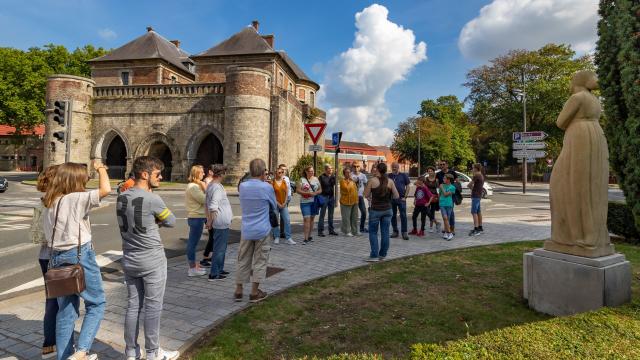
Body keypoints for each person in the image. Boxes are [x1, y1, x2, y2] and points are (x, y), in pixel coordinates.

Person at [43, 161, 110, 360]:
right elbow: (105, 189)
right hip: (79, 255)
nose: (86, 180)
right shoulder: (76, 198)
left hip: (56, 257)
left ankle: (64, 357)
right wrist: (101, 168)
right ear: (74, 180)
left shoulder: (50, 202)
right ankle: (81, 351)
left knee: (66, 311)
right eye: (84, 177)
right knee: (96, 303)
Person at [116, 156, 179, 360]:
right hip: (152, 258)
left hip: (129, 257)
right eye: (157, 174)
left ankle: (131, 351)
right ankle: (153, 352)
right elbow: (171, 221)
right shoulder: (153, 199)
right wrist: (155, 222)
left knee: (133, 305)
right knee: (153, 307)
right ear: (145, 174)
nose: (161, 177)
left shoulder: (122, 196)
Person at [235, 158, 277, 303]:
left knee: (243, 259)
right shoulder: (267, 187)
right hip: (262, 229)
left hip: (246, 229)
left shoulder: (243, 186)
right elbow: (274, 205)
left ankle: (239, 290)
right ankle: (254, 292)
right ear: (263, 171)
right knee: (260, 261)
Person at [33, 165, 59, 359]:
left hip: (44, 256)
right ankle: (52, 344)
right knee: (61, 302)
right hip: (56, 256)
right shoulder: (56, 203)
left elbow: (36, 235)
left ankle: (50, 344)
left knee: (52, 301)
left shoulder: (42, 201)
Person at [363, 162, 400, 262]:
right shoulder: (390, 181)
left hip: (375, 210)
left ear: (377, 169)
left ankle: (374, 255)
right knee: (385, 232)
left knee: (373, 233)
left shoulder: (372, 180)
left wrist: (371, 195)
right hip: (388, 210)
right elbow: (396, 196)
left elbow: (366, 195)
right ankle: (382, 254)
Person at [206, 164, 233, 280]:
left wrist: (209, 220)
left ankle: (219, 269)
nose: (225, 174)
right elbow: (213, 206)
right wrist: (210, 221)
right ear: (221, 174)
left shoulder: (213, 185)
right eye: (224, 172)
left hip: (221, 221)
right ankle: (214, 273)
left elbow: (206, 204)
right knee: (219, 249)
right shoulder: (216, 187)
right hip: (220, 222)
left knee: (221, 248)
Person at [184, 165, 207, 277]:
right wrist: (205, 187)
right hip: (196, 217)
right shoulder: (193, 187)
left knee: (194, 242)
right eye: (202, 172)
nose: (204, 174)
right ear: (196, 173)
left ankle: (194, 266)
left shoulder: (195, 186)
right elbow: (204, 200)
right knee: (192, 243)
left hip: (198, 217)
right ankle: (192, 268)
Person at [297, 165, 322, 244]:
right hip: (305, 202)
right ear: (306, 172)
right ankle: (305, 238)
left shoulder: (316, 179)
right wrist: (307, 193)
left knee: (311, 220)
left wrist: (315, 193)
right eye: (310, 171)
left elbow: (320, 190)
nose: (312, 172)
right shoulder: (302, 180)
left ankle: (310, 236)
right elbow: (297, 190)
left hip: (314, 202)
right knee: (306, 219)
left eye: (312, 171)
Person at [271, 166, 295, 244]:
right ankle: (276, 237)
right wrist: (278, 203)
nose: (281, 174)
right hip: (275, 204)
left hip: (283, 204)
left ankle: (288, 237)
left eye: (282, 172)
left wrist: (284, 203)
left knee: (287, 220)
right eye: (279, 172)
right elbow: (272, 195)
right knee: (275, 221)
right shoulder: (272, 182)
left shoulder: (284, 182)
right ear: (276, 173)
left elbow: (287, 193)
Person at [388, 162, 411, 240]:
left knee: (403, 215)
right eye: (393, 167)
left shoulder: (403, 175)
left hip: (401, 198)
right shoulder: (389, 176)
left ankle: (404, 232)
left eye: (396, 167)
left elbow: (408, 186)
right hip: (392, 199)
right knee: (392, 215)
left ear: (398, 167)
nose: (394, 168)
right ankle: (395, 231)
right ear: (391, 167)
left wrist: (405, 196)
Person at [436, 161, 458, 235]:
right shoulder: (439, 174)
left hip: (451, 195)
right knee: (445, 215)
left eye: (443, 164)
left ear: (447, 165)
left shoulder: (452, 172)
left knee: (451, 214)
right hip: (442, 195)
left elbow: (457, 182)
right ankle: (446, 228)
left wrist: (451, 187)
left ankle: (452, 228)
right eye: (440, 164)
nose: (442, 165)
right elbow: (438, 184)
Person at [318, 164, 337, 237]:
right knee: (322, 215)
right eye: (329, 168)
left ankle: (331, 230)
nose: (331, 170)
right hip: (324, 197)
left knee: (331, 215)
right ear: (326, 169)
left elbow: (333, 184)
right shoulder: (321, 177)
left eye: (332, 168)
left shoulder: (332, 176)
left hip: (331, 197)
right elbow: (319, 187)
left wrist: (334, 176)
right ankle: (320, 231)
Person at [339, 167, 359, 237]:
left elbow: (356, 190)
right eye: (347, 172)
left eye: (349, 172)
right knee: (346, 217)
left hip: (354, 201)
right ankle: (347, 231)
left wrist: (357, 200)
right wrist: (351, 181)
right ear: (344, 174)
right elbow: (347, 189)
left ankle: (354, 231)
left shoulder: (352, 181)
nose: (349, 174)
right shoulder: (342, 181)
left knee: (354, 217)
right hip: (345, 202)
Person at [468, 163, 485, 236]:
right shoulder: (481, 175)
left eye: (473, 168)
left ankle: (476, 229)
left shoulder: (476, 175)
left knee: (473, 212)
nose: (472, 169)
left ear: (476, 168)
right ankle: (480, 227)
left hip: (475, 196)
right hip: (479, 195)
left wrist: (473, 190)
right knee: (478, 212)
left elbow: (469, 184)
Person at [439, 173, 456, 241]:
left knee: (447, 219)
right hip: (442, 204)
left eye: (445, 178)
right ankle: (449, 233)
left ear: (448, 180)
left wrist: (442, 187)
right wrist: (439, 202)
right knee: (445, 218)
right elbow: (440, 194)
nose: (443, 179)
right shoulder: (442, 185)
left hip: (449, 205)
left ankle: (446, 232)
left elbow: (446, 194)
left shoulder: (452, 187)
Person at [277, 164, 292, 240]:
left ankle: (283, 233)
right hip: (279, 200)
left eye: (285, 170)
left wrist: (289, 197)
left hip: (287, 199)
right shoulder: (277, 179)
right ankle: (276, 234)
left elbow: (288, 189)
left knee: (284, 218)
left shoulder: (287, 178)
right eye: (282, 169)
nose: (284, 171)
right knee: (276, 217)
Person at [424, 166, 441, 233]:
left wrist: (439, 197)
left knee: (432, 212)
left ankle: (431, 227)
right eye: (429, 171)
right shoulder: (425, 179)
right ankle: (437, 223)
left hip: (434, 198)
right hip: (427, 198)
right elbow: (424, 188)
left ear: (434, 172)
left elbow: (438, 190)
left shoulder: (436, 180)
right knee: (427, 211)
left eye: (431, 171)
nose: (430, 172)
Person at [352, 163, 368, 233]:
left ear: (359, 167)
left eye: (357, 166)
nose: (356, 168)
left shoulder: (363, 175)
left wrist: (366, 194)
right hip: (352, 197)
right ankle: (352, 228)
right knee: (353, 214)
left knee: (364, 212)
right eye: (354, 166)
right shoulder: (350, 175)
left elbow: (366, 185)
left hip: (360, 196)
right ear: (352, 167)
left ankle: (362, 227)